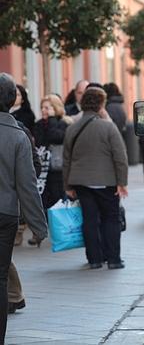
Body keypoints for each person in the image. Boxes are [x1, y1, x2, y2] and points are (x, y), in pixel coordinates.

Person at [0, 73, 48, 342]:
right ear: (12, 100)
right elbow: (27, 186)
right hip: (5, 215)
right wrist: (38, 227)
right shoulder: (18, 137)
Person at [63, 87, 129, 270]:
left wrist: (67, 185)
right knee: (111, 218)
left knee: (89, 219)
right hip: (107, 181)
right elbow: (120, 156)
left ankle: (94, 259)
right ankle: (114, 259)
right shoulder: (108, 127)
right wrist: (122, 182)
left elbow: (66, 158)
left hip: (81, 181)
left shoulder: (72, 128)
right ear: (101, 104)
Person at [33, 94, 73, 210]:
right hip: (44, 170)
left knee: (58, 201)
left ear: (56, 109)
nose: (43, 110)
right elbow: (39, 142)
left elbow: (56, 137)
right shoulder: (39, 124)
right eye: (42, 107)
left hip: (59, 169)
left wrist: (51, 119)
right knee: (44, 201)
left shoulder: (65, 123)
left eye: (47, 108)